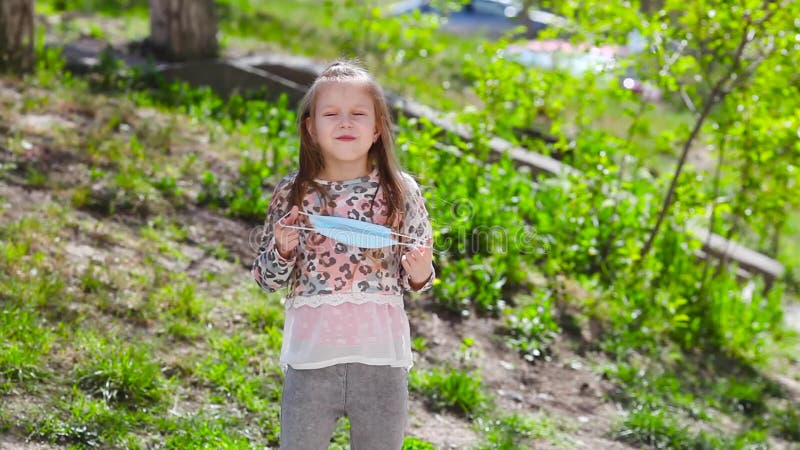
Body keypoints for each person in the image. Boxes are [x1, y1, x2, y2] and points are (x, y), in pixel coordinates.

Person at [252, 60, 435, 450]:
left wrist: (421, 270)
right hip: (311, 361)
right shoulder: (293, 194)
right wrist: (283, 248)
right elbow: (266, 279)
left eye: (358, 114)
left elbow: (417, 279)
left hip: (381, 361)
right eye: (331, 114)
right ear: (311, 128)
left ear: (377, 127)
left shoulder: (401, 192)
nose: (345, 122)